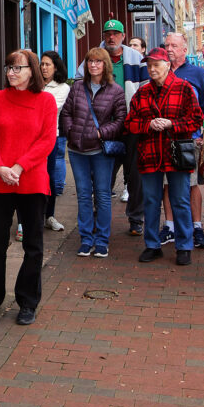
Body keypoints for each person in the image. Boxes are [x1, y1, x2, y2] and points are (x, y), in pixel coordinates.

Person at [0, 50, 57, 326]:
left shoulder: (45, 100)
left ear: (31, 70)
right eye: (8, 68)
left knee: (33, 245)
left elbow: (47, 140)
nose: (11, 73)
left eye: (17, 68)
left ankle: (27, 302)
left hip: (32, 179)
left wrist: (20, 166)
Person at [124, 47, 204, 265]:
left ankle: (184, 245)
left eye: (156, 65)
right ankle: (152, 245)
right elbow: (130, 123)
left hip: (176, 153)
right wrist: (148, 124)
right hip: (149, 153)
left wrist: (172, 123)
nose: (151, 69)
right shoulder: (142, 93)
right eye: (148, 65)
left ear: (167, 65)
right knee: (150, 201)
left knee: (180, 200)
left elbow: (196, 119)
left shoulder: (184, 88)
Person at [76, 20, 148, 233]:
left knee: (136, 176)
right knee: (102, 176)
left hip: (132, 126)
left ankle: (136, 220)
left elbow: (145, 89)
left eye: (116, 33)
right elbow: (80, 85)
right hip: (105, 129)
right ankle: (99, 217)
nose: (111, 37)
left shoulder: (135, 58)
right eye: (108, 33)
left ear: (123, 36)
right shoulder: (94, 57)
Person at [59, 48, 126, 257]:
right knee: (83, 196)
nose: (93, 65)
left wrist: (100, 133)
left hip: (100, 151)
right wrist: (71, 132)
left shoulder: (116, 91)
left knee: (103, 196)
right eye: (90, 61)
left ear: (105, 64)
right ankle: (86, 239)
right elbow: (66, 113)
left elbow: (121, 120)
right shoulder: (77, 87)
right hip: (78, 151)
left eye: (98, 61)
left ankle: (102, 241)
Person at [159, 33, 204, 249]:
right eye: (167, 45)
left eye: (174, 45)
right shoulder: (159, 70)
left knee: (191, 184)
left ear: (184, 50)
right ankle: (170, 226)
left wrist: (201, 134)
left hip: (189, 138)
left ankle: (196, 226)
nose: (169, 49)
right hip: (162, 138)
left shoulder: (197, 73)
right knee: (166, 184)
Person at [39, 51, 70, 232]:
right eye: (42, 64)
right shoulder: (34, 84)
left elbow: (50, 109)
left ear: (56, 67)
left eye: (47, 64)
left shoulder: (62, 87)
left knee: (48, 176)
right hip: (31, 137)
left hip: (50, 136)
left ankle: (49, 215)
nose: (44, 68)